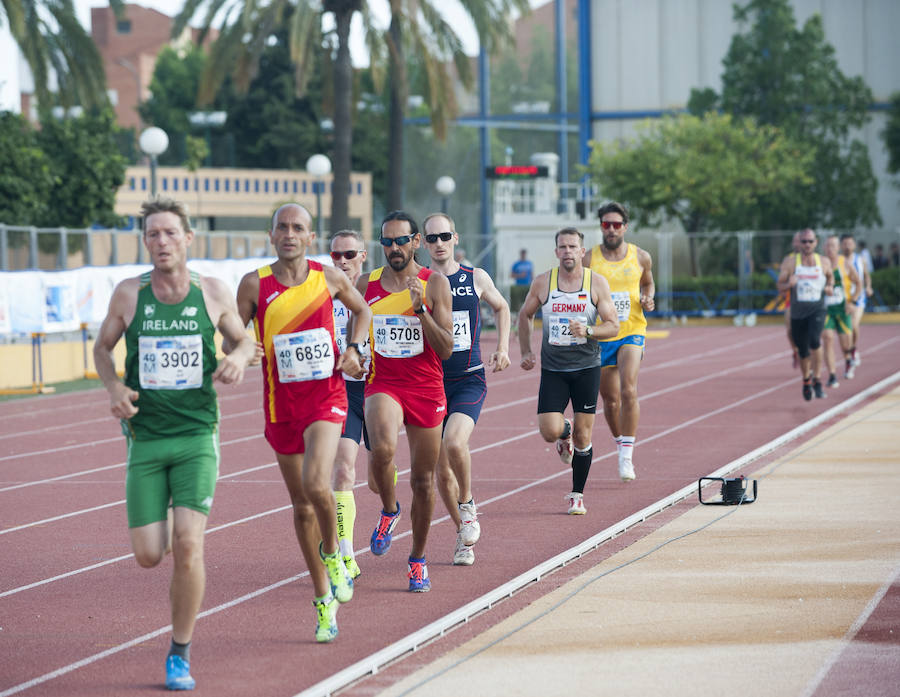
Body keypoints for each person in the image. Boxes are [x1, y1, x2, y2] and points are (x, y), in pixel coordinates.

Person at [93, 196, 257, 690]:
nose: (161, 242)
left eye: (169, 233)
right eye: (152, 235)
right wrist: (115, 388)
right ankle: (163, 517)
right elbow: (102, 347)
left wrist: (239, 358)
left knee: (188, 546)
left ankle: (179, 653)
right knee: (148, 554)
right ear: (145, 242)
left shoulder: (210, 292)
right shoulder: (128, 294)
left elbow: (244, 339)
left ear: (188, 239)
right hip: (145, 439)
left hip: (195, 437)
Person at [234, 204, 372, 643]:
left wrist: (352, 350)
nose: (290, 234)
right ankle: (322, 599)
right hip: (280, 405)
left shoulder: (327, 277)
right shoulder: (255, 284)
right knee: (300, 506)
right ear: (271, 234)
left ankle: (333, 551)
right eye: (282, 228)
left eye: (298, 228)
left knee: (318, 485)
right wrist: (242, 349)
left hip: (326, 397)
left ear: (311, 238)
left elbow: (362, 312)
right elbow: (231, 333)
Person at [357, 210, 454, 592]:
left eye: (401, 241)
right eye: (387, 242)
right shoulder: (367, 284)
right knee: (381, 450)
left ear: (417, 242)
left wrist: (420, 310)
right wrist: (353, 350)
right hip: (384, 382)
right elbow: (353, 328)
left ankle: (417, 559)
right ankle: (389, 510)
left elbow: (446, 349)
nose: (394, 248)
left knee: (424, 481)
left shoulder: (435, 284)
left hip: (426, 387)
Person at [422, 213, 511, 566]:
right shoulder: (420, 281)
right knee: (440, 473)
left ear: (455, 238)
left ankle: (469, 503)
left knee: (455, 442)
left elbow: (502, 307)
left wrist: (503, 348)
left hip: (468, 379)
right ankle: (463, 534)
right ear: (423, 244)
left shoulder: (475, 277)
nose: (439, 243)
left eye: (445, 235)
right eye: (432, 238)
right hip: (429, 383)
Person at [517, 227, 619, 514]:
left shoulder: (596, 283)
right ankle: (565, 432)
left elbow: (613, 325)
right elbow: (525, 315)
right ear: (556, 252)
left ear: (582, 251)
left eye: (573, 247)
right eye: (563, 247)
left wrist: (588, 330)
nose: (568, 252)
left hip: (587, 368)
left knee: (584, 438)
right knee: (549, 431)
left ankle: (577, 494)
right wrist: (526, 351)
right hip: (554, 369)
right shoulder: (543, 283)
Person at [584, 202, 655, 482]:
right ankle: (620, 443)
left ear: (625, 226)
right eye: (606, 224)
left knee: (628, 390)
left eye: (616, 224)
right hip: (602, 335)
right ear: (601, 227)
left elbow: (648, 283)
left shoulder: (641, 256)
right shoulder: (589, 259)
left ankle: (627, 456)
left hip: (631, 330)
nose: (611, 229)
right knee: (610, 402)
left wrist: (648, 297)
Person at [329, 230, 371, 580]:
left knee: (379, 475)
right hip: (342, 393)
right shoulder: (322, 295)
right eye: (335, 255)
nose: (341, 261)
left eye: (348, 254)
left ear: (363, 255)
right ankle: (346, 553)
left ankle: (389, 504)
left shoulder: (380, 289)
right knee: (343, 470)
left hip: (380, 392)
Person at [777, 229, 834, 401]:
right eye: (804, 241)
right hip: (798, 312)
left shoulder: (823, 261)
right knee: (803, 350)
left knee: (815, 341)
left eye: (810, 241)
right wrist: (789, 284)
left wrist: (830, 286)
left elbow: (830, 277)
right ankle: (806, 380)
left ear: (816, 242)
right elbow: (780, 286)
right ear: (798, 243)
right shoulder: (790, 262)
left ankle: (817, 379)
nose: (807, 245)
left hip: (817, 309)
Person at [821, 234, 860, 387]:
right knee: (827, 338)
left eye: (833, 246)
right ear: (824, 247)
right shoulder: (821, 264)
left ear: (838, 248)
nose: (830, 249)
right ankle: (832, 374)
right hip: (826, 311)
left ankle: (849, 360)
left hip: (843, 310)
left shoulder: (845, 263)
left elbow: (858, 282)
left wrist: (853, 301)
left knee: (845, 346)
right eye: (827, 245)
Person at [840, 233, 873, 368]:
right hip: (843, 298)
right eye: (845, 244)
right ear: (841, 245)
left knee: (854, 325)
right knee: (846, 330)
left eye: (850, 243)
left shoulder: (860, 259)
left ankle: (853, 349)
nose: (847, 246)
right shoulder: (838, 261)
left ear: (854, 245)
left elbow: (866, 276)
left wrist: (869, 287)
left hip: (858, 298)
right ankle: (850, 350)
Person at [510, 248, 533, 314]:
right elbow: (512, 275)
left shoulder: (529, 263)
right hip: (519, 286)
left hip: (527, 285)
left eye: (524, 254)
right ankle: (518, 313)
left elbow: (531, 274)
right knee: (518, 302)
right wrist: (520, 275)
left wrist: (533, 282)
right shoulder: (516, 264)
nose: (523, 255)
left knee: (527, 301)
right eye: (522, 254)